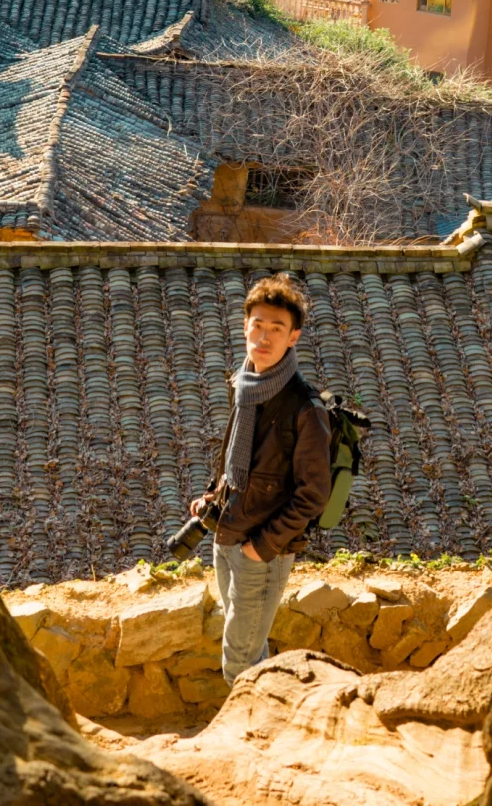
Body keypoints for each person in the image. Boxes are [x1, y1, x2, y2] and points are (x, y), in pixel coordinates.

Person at [191, 275, 331, 685]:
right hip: (228, 533)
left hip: (262, 551)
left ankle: (252, 725)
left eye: (276, 329)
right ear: (245, 327)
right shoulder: (246, 384)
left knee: (239, 662)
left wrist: (262, 548)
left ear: (293, 337)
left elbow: (313, 496)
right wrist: (214, 495)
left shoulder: (305, 408)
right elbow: (239, 456)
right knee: (252, 652)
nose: (264, 337)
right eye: (258, 325)